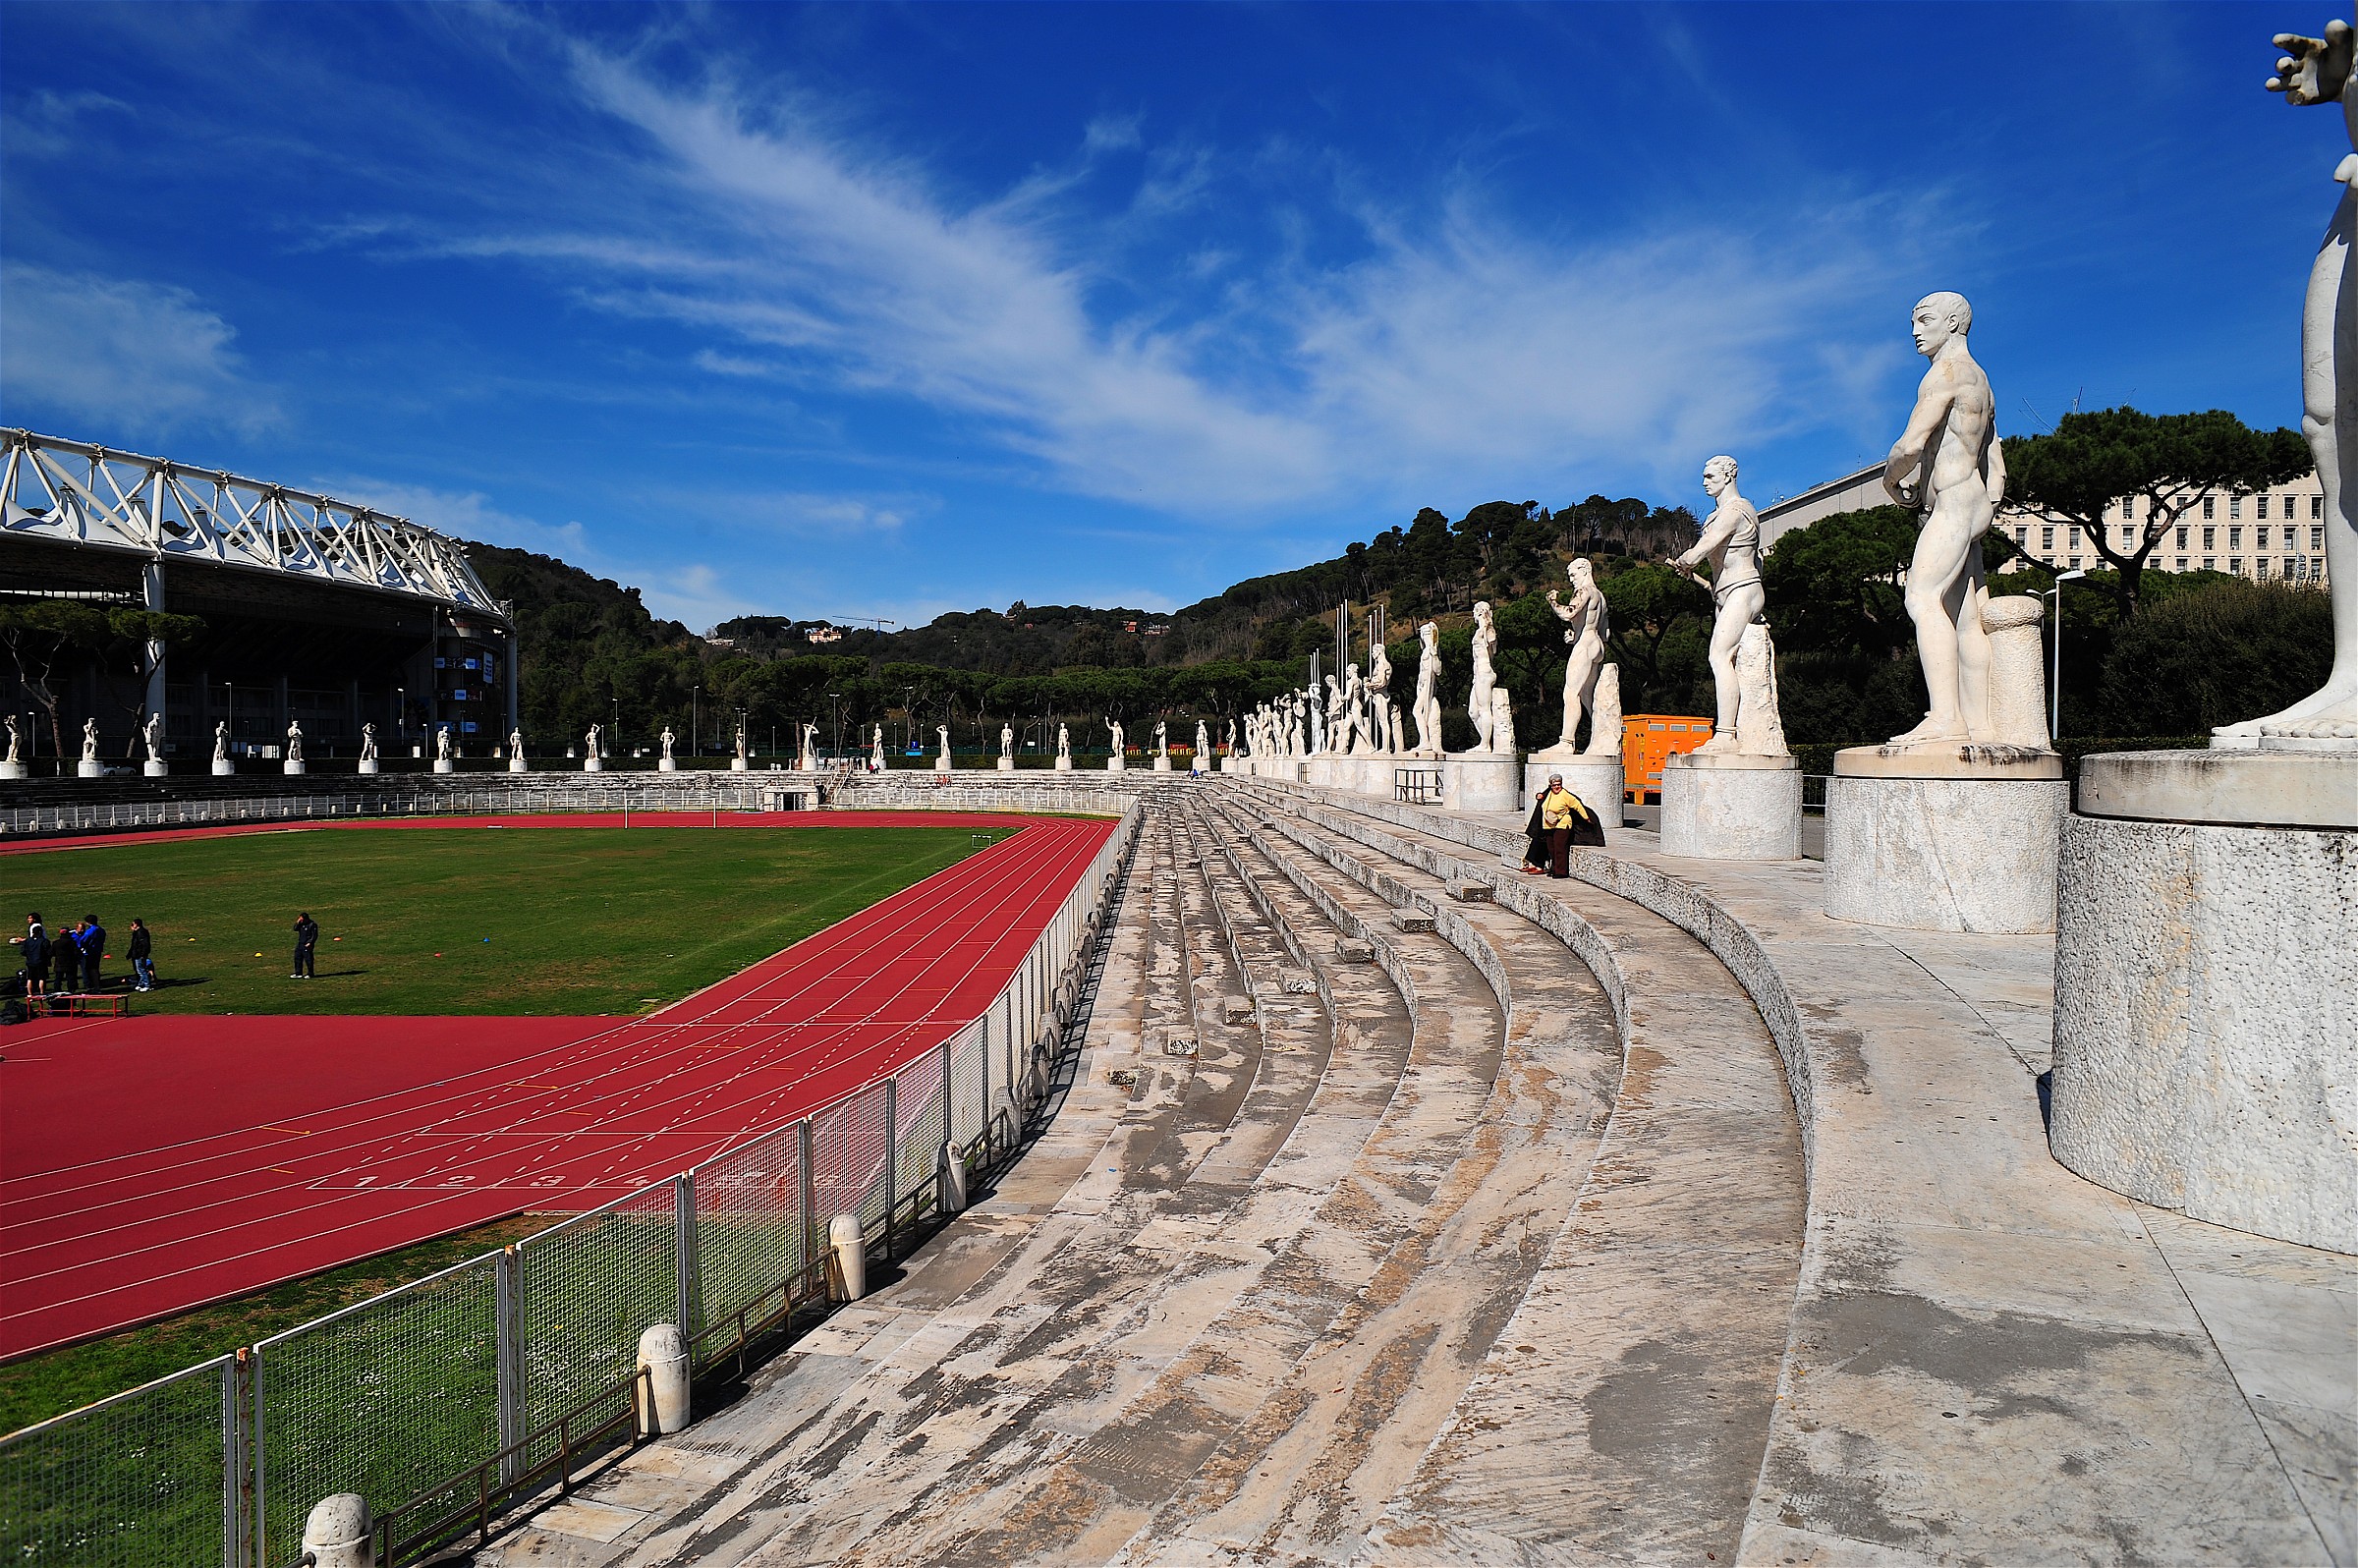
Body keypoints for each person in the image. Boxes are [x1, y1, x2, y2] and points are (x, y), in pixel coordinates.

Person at [12, 914, 48, 999]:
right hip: (39, 959)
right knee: (41, 978)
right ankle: (42, 993)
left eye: (30, 918)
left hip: (31, 960)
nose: (28, 920)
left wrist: (22, 941)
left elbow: (27, 945)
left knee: (30, 978)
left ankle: (30, 994)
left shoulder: (33, 931)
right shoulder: (43, 939)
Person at [77, 914, 106, 992]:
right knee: (95, 968)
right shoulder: (101, 930)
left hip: (90, 952)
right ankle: (97, 985)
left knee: (90, 969)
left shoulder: (90, 931)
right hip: (98, 951)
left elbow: (82, 941)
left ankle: (94, 986)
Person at [127, 919, 154, 992]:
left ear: (136, 924)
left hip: (139, 954)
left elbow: (144, 945)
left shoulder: (141, 933)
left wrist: (143, 954)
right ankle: (140, 984)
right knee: (141, 969)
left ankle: (147, 985)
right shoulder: (137, 932)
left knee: (141, 970)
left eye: (132, 924)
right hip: (137, 954)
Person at [291, 911, 319, 980]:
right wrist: (297, 922)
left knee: (308, 959)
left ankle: (310, 973)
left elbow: (314, 935)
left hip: (307, 944)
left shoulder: (312, 924)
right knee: (297, 958)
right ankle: (298, 973)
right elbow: (295, 929)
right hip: (300, 943)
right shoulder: (301, 924)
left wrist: (310, 942)